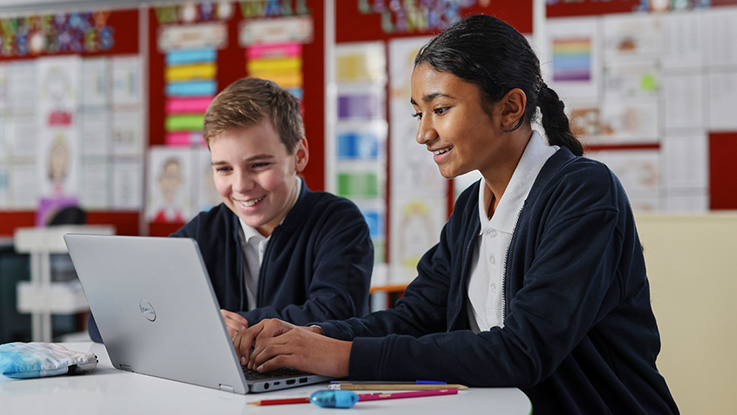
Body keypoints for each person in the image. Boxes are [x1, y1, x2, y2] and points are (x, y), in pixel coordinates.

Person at [232, 15, 679, 414]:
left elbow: (522, 351)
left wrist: (341, 357)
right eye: (419, 113)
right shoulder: (473, 206)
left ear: (510, 108)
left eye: (441, 109)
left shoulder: (583, 193)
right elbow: (413, 317)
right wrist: (305, 335)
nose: (424, 133)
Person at [88, 77, 374, 343]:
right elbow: (104, 321)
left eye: (259, 165)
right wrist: (203, 324)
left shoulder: (339, 223)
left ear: (298, 156)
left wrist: (217, 326)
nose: (241, 185)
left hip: (310, 392)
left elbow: (333, 315)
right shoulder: (203, 232)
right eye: (224, 169)